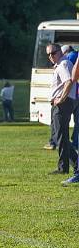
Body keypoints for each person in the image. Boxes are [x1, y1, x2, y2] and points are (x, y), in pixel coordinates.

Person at [44, 44, 79, 179]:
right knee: (61, 137)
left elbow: (68, 81)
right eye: (48, 54)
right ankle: (64, 167)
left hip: (62, 105)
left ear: (60, 52)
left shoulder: (63, 64)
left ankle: (71, 165)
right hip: (63, 104)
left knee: (60, 137)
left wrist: (61, 99)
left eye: (53, 53)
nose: (51, 56)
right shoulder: (61, 64)